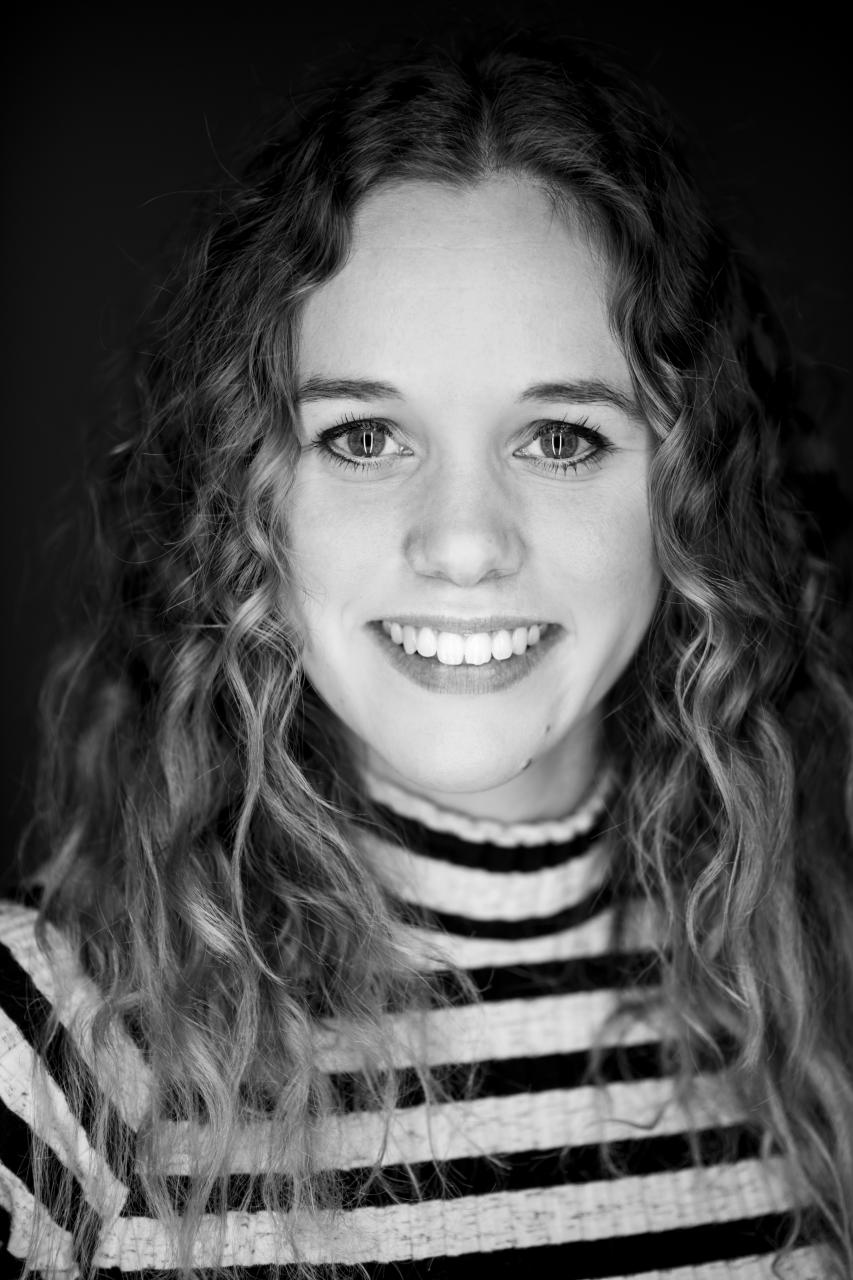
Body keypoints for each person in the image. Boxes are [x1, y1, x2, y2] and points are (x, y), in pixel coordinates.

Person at [1, 24, 852, 1280]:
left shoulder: (825, 1010)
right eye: (362, 436)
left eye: (560, 438)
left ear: (692, 498)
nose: (462, 542)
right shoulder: (47, 1049)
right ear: (242, 497)